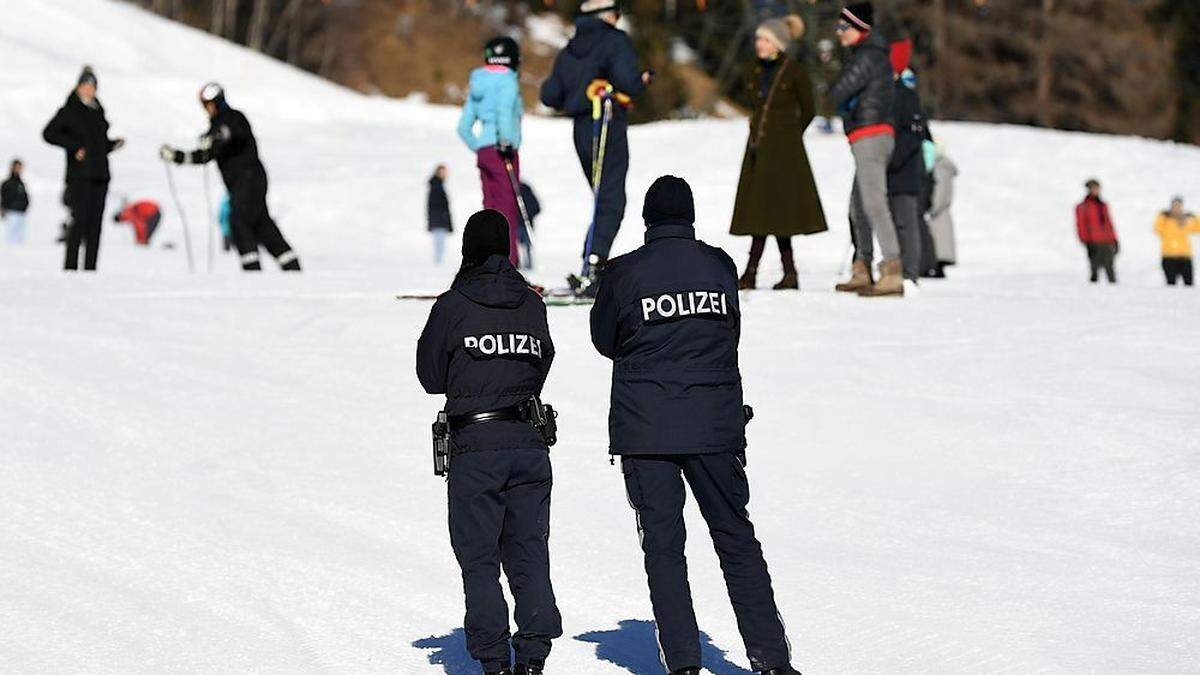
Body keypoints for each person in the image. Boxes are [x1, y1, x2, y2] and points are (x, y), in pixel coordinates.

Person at [590, 176, 799, 675]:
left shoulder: (623, 273)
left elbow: (604, 339)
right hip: (713, 424)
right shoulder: (721, 266)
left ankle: (683, 662)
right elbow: (731, 336)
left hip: (648, 428)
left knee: (664, 545)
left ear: (646, 221)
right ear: (689, 218)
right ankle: (771, 658)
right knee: (736, 538)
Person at [417, 209, 562, 675]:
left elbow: (429, 376)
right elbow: (542, 363)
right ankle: (534, 653)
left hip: (475, 445)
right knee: (529, 550)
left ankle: (495, 660)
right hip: (528, 441)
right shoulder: (532, 303)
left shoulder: (452, 305)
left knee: (479, 557)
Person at [540, 0, 651, 286]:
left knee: (602, 196)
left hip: (579, 128)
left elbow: (550, 95)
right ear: (609, 15)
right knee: (611, 198)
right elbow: (629, 82)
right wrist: (641, 80)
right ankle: (594, 267)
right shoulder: (615, 40)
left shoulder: (570, 48)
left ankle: (591, 260)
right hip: (606, 123)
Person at [730, 15, 828, 291]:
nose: (758, 44)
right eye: (758, 39)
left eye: (764, 39)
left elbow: (808, 108)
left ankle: (765, 272)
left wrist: (789, 134)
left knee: (777, 212)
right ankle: (774, 272)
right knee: (761, 210)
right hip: (759, 148)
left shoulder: (794, 71)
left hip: (785, 150)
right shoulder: (753, 69)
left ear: (778, 44)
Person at [160, 83, 300, 271]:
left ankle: (252, 272)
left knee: (238, 221)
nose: (206, 109)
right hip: (243, 182)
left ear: (215, 102)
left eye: (207, 104)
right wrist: (177, 156)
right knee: (260, 223)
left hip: (249, 178)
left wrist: (218, 136)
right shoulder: (216, 126)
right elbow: (205, 155)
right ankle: (291, 266)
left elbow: (235, 134)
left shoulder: (234, 118)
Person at [829, 2, 903, 297]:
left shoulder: (868, 55)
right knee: (858, 206)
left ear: (860, 28)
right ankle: (862, 267)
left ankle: (892, 269)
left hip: (871, 135)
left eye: (843, 27)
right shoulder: (868, 54)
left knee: (873, 203)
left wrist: (840, 97)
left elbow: (839, 89)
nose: (839, 33)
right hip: (866, 134)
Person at [42, 66, 125, 271]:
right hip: (80, 175)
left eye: (92, 87)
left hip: (100, 175)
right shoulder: (69, 110)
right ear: (78, 87)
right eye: (85, 86)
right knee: (78, 222)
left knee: (95, 226)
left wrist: (112, 145)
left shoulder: (98, 112)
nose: (89, 90)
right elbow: (48, 134)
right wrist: (74, 147)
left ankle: (90, 269)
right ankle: (70, 269)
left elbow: (99, 145)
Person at [458, 37, 524, 266]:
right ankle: (509, 270)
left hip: (486, 153)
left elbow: (463, 127)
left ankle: (488, 269)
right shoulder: (507, 80)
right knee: (506, 213)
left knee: (490, 212)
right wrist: (505, 142)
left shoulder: (479, 83)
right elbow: (504, 111)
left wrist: (480, 148)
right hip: (502, 152)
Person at [885, 40, 931, 288]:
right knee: (891, 221)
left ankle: (910, 272)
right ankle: (894, 267)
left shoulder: (907, 96)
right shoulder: (885, 93)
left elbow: (915, 135)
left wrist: (893, 159)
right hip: (889, 168)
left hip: (905, 170)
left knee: (906, 222)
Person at [1075, 179, 1119, 284]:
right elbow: (1081, 225)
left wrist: (1114, 239)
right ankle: (1093, 296)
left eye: (1098, 188)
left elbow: (1109, 223)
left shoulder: (1103, 205)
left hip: (1106, 241)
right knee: (1094, 270)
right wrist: (1085, 241)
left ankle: (1115, 294)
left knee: (1110, 269)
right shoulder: (1083, 206)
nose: (1096, 190)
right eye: (1094, 188)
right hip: (1093, 241)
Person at [925, 141, 958, 277]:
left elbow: (941, 193)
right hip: (939, 217)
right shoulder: (941, 167)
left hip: (938, 217)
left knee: (939, 246)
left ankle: (936, 269)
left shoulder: (941, 168)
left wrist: (931, 207)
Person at [1154, 196, 1200, 286]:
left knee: (1189, 285)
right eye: (1175, 206)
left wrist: (1193, 217)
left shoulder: (1186, 221)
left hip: (1185, 257)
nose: (1177, 209)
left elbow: (1198, 228)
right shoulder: (1165, 220)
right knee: (1171, 284)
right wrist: (1163, 215)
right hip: (1169, 257)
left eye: (1179, 206)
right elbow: (1157, 228)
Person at [427, 164, 454, 265]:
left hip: (440, 219)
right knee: (439, 243)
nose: (445, 174)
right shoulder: (436, 186)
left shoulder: (438, 185)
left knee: (440, 243)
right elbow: (436, 205)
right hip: (439, 219)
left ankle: (439, 262)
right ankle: (438, 262)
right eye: (443, 171)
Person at [1, 159, 30, 244]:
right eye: (17, 167)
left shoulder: (21, 183)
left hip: (21, 213)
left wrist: (26, 205)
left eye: (20, 167)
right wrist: (3, 208)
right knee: (9, 238)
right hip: (11, 213)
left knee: (20, 239)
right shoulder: (7, 183)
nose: (19, 169)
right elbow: (3, 197)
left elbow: (24, 197)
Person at [517, 181, 541, 270]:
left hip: (525, 225)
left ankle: (528, 267)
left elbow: (536, 207)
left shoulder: (525, 189)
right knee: (516, 247)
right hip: (515, 225)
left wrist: (528, 215)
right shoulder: (508, 188)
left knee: (527, 247)